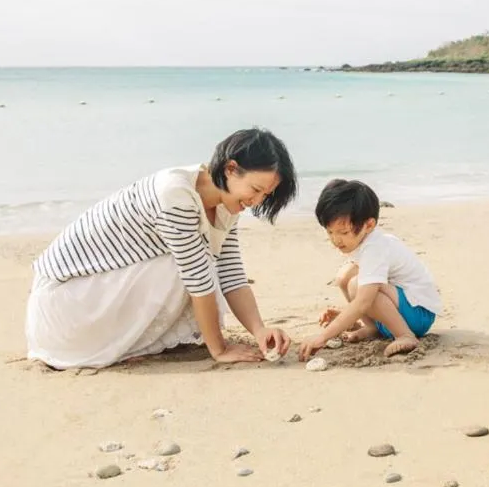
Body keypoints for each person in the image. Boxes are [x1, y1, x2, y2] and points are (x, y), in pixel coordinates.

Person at [25, 127, 298, 369]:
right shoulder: (175, 194)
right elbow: (198, 281)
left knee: (204, 261)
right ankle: (110, 345)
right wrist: (220, 350)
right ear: (230, 168)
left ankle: (131, 341)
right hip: (67, 304)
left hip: (95, 296)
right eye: (256, 189)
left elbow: (231, 273)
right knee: (197, 263)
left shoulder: (226, 202)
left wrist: (259, 330)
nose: (257, 201)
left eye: (266, 195)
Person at [299, 179, 442, 361]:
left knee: (358, 285)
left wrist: (323, 336)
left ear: (369, 225)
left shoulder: (375, 247)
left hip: (419, 315)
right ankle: (372, 326)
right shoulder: (363, 242)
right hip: (403, 307)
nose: (336, 240)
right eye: (330, 232)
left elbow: (364, 301)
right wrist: (349, 315)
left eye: (343, 233)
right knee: (344, 277)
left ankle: (405, 335)